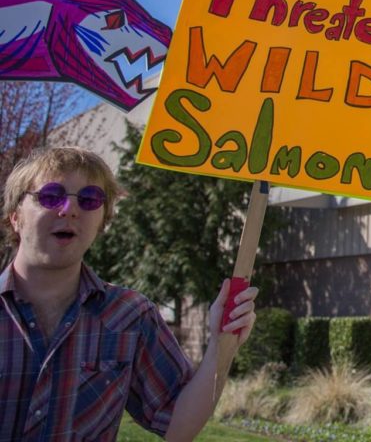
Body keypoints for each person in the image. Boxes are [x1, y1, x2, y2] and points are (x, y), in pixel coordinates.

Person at [1, 146, 259, 441]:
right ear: (15, 216)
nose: (70, 209)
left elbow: (178, 424)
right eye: (51, 195)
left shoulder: (130, 315)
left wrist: (220, 346)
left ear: (102, 221)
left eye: (89, 200)